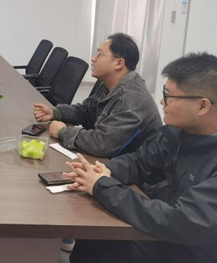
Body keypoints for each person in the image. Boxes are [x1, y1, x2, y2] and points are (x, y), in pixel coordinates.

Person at [65, 52, 217, 263]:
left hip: (188, 249)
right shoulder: (179, 132)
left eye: (169, 96)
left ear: (202, 106)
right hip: (162, 227)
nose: (162, 101)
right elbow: (140, 161)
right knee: (93, 233)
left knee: (100, 242)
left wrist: (102, 187)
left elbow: (180, 221)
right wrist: (107, 171)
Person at [33, 33, 162, 158]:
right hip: (113, 162)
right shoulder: (110, 83)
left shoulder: (131, 99)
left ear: (119, 63)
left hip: (133, 169)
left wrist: (63, 132)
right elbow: (87, 110)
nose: (93, 58)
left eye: (99, 54)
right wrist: (55, 113)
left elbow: (102, 144)